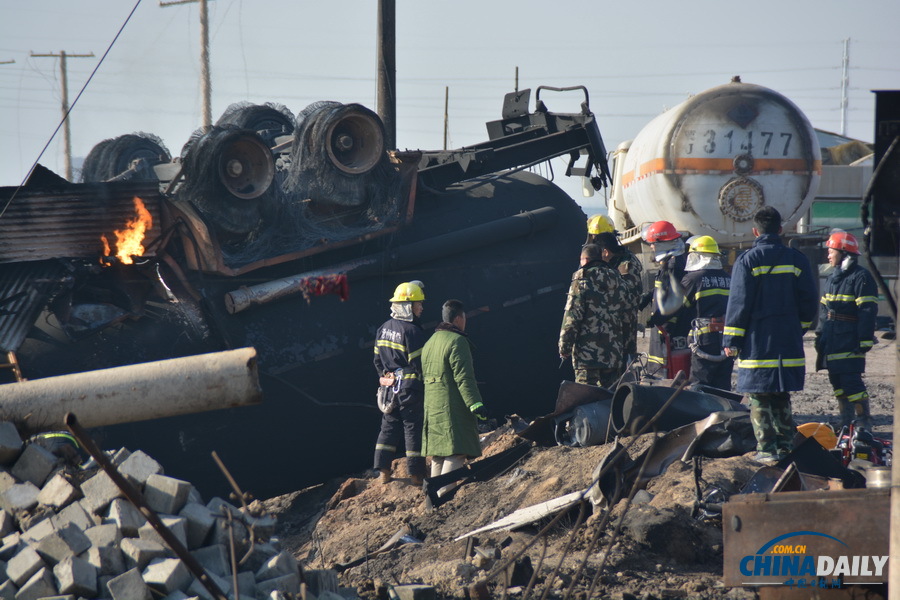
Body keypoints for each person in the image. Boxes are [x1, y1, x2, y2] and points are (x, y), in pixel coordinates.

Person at [723, 207, 817, 464]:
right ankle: (786, 448)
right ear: (780, 229)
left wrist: (731, 341)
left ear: (755, 231)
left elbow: (739, 304)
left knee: (759, 396)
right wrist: (798, 328)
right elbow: (809, 302)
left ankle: (766, 450)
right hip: (787, 342)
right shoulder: (797, 259)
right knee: (781, 394)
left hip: (757, 344)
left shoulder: (748, 260)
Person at [421, 299, 487, 492]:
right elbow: (464, 378)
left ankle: (432, 499)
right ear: (458, 319)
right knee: (456, 452)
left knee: (439, 455)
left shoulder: (429, 343)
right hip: (452, 408)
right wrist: (475, 404)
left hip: (432, 409)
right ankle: (444, 496)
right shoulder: (458, 341)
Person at [815, 231, 878, 431]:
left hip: (850, 340)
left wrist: (865, 340)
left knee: (852, 383)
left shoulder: (861, 277)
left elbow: (867, 311)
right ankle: (845, 421)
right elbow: (824, 310)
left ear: (844, 252)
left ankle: (863, 421)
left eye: (831, 251)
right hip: (832, 339)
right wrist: (819, 335)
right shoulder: (833, 278)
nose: (828, 255)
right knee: (837, 382)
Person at [372, 281, 428, 486]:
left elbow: (378, 361)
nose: (421, 307)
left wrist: (388, 378)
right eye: (418, 304)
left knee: (388, 428)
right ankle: (416, 476)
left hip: (388, 391)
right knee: (413, 429)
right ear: (407, 306)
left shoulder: (382, 329)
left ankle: (383, 473)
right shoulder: (412, 331)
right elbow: (420, 364)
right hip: (409, 391)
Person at [558, 243, 629, 388]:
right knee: (611, 397)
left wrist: (564, 347)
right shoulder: (618, 279)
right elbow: (626, 314)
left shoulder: (582, 280)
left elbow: (572, 317)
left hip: (587, 355)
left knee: (586, 396)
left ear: (585, 260)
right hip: (613, 353)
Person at [681, 235, 734, 390]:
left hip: (704, 340)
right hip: (726, 338)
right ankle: (723, 413)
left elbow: (679, 308)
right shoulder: (728, 278)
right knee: (723, 384)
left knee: (700, 383)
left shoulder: (692, 279)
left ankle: (702, 413)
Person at [641, 220, 689, 377]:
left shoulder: (674, 264)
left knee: (667, 370)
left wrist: (657, 319)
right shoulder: (670, 261)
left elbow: (674, 297)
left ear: (663, 242)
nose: (652, 247)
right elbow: (662, 288)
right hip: (664, 326)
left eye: (653, 244)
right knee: (659, 366)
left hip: (669, 328)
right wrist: (647, 298)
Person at [595, 231, 644, 366]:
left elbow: (626, 293)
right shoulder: (615, 259)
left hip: (625, 318)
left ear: (605, 251)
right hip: (616, 318)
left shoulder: (626, 264)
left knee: (625, 355)